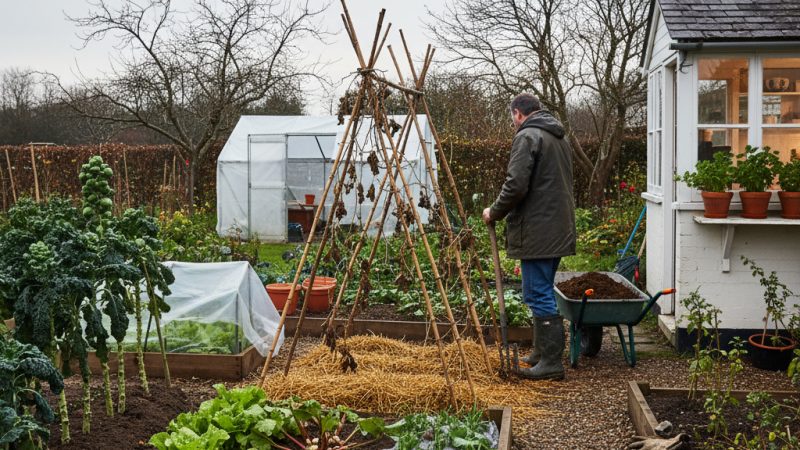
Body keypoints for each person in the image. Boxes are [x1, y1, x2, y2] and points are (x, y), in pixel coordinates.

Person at [482, 93, 576, 380]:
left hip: (538, 229)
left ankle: (551, 363)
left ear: (518, 113)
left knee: (537, 292)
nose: (513, 122)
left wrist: (494, 212)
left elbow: (516, 185)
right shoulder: (558, 137)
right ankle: (540, 353)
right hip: (557, 226)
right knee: (542, 289)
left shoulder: (527, 136)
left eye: (513, 117)